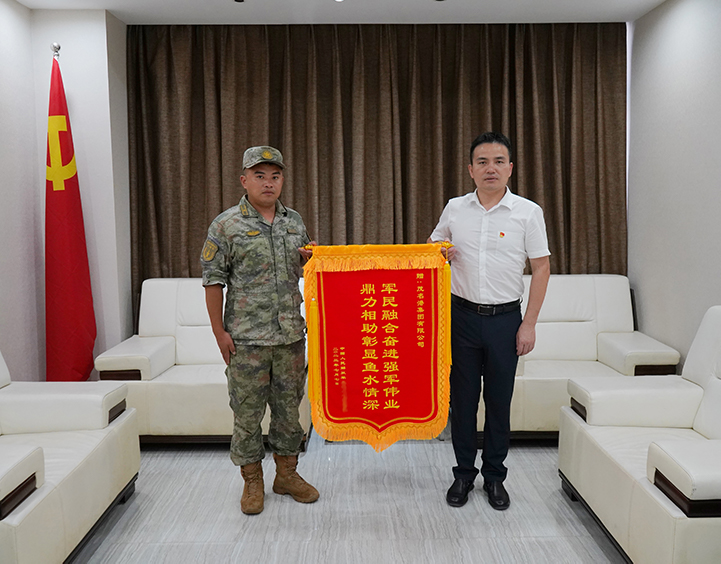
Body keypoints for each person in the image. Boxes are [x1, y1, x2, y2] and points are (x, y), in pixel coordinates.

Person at [428, 132, 550, 510]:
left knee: (499, 403)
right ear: (471, 169)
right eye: (482, 162)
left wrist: (528, 324)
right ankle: (464, 474)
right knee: (463, 403)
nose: (490, 168)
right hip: (461, 318)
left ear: (510, 168)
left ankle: (495, 477)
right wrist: (441, 252)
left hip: (505, 321)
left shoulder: (527, 212)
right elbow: (433, 247)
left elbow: (541, 268)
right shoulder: (455, 208)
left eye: (498, 161)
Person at [201, 146, 318, 515]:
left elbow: (304, 272)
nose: (269, 182)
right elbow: (213, 282)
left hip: (289, 339)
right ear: (244, 180)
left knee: (289, 412)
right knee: (247, 415)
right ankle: (253, 481)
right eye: (260, 175)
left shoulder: (293, 222)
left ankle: (287, 475)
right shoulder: (226, 225)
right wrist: (219, 333)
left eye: (275, 176)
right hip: (247, 341)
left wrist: (312, 261)